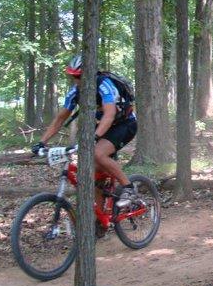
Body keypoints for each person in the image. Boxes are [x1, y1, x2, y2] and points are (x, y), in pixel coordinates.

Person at [31, 55, 139, 207]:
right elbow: (60, 119)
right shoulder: (76, 91)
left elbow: (110, 114)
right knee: (92, 171)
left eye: (79, 76)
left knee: (98, 153)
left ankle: (128, 188)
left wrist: (95, 137)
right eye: (73, 76)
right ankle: (100, 220)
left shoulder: (104, 85)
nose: (76, 80)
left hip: (125, 124)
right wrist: (41, 142)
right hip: (103, 126)